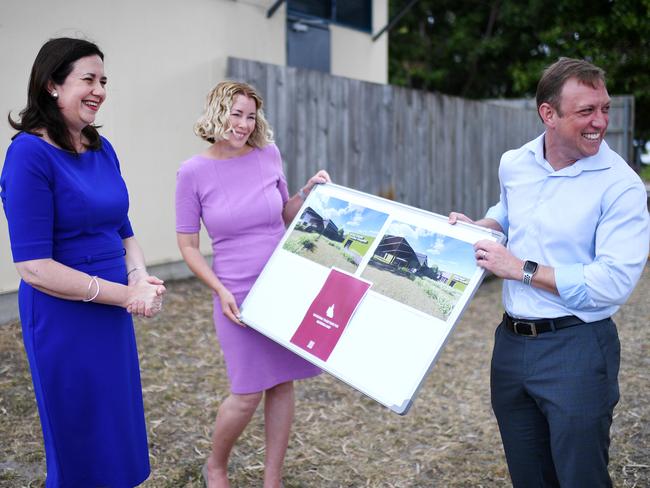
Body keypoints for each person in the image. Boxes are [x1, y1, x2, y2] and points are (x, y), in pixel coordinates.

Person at [449, 57, 649, 487]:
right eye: (586, 111)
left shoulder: (622, 186)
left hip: (577, 348)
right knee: (529, 476)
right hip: (511, 346)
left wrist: (520, 269)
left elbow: (612, 282)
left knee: (581, 478)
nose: (601, 122)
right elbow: (509, 210)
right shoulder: (514, 162)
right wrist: (484, 226)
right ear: (548, 114)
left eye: (605, 108)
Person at [0, 38, 166, 486]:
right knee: (80, 440)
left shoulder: (100, 147)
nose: (99, 90)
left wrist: (139, 277)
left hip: (113, 313)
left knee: (118, 429)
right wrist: (127, 294)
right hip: (64, 317)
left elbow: (122, 227)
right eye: (88, 80)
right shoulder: (28, 156)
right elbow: (33, 267)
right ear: (53, 84)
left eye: (103, 81)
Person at [175, 80, 329, 488]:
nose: (243, 124)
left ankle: (272, 478)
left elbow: (285, 215)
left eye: (250, 115)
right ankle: (216, 467)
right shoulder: (192, 172)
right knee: (246, 392)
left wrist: (308, 192)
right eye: (235, 113)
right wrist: (219, 289)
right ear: (216, 112)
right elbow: (188, 246)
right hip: (235, 294)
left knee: (282, 382)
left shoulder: (268, 155)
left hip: (282, 285)